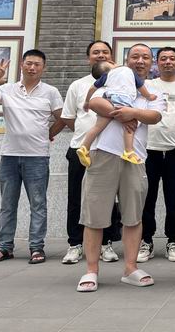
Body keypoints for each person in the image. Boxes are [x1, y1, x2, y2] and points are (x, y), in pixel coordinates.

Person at [76, 43, 165, 292]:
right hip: (103, 154)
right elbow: (94, 103)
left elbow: (155, 116)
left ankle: (130, 268)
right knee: (94, 216)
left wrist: (129, 112)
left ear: (151, 62)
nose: (140, 60)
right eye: (135, 56)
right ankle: (91, 270)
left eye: (145, 57)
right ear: (126, 60)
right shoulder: (111, 80)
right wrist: (125, 113)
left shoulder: (153, 90)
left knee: (133, 216)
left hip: (135, 158)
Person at [0, 49, 63, 265]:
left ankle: (36, 247)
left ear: (43, 68)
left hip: (37, 157)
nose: (32, 67)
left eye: (37, 64)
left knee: (38, 204)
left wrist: (49, 133)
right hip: (9, 156)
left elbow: (63, 118)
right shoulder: (7, 89)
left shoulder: (50, 92)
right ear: (22, 65)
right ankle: (5, 247)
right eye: (28, 63)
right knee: (7, 204)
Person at [52, 41, 122, 265]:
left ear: (111, 56)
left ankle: (106, 244)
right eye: (95, 52)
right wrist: (87, 135)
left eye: (105, 52)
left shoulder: (120, 82)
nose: (100, 55)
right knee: (76, 198)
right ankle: (75, 244)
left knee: (108, 199)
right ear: (88, 58)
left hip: (109, 150)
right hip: (80, 150)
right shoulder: (78, 85)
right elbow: (68, 116)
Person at [137, 47, 175, 264]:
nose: (168, 62)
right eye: (163, 59)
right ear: (157, 62)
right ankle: (146, 241)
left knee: (173, 200)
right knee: (148, 199)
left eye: (172, 58)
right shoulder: (147, 84)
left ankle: (172, 241)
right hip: (149, 150)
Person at [77, 61, 157, 167]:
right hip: (123, 99)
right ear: (112, 63)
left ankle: (84, 147)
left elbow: (92, 88)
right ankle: (128, 151)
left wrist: (87, 101)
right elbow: (140, 86)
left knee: (97, 127)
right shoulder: (127, 70)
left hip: (108, 98)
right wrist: (149, 96)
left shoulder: (107, 75)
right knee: (131, 124)